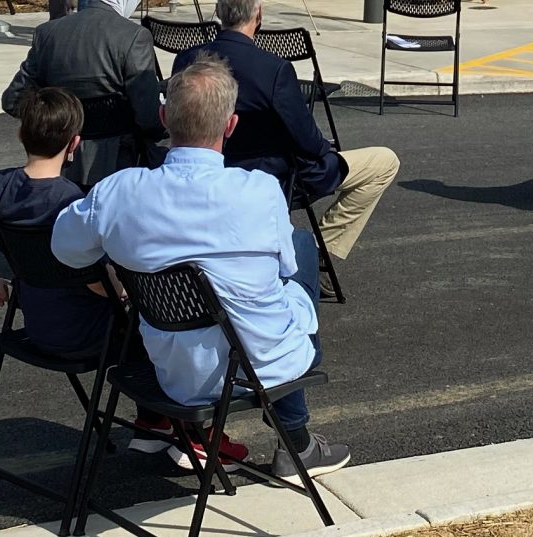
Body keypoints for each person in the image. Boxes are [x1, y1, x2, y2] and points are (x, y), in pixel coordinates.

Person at [52, 60, 349, 481]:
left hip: (172, 371)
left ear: (163, 118)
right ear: (231, 125)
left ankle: (180, 429)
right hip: (257, 368)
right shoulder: (259, 191)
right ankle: (295, 442)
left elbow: (65, 248)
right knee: (298, 251)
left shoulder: (119, 190)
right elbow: (284, 268)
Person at [197, 0, 401, 265]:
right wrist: (324, 150)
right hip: (276, 176)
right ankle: (323, 250)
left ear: (219, 11)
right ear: (259, 13)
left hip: (213, 170)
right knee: (384, 162)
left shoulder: (188, 61)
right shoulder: (274, 70)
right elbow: (307, 139)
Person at [0, 86, 114, 361]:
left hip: (36, 328)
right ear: (74, 144)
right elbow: (97, 282)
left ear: (21, 134)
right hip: (90, 335)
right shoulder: (74, 202)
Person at [4, 0, 163, 180]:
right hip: (119, 163)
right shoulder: (133, 36)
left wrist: (57, 124)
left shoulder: (49, 32)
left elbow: (13, 100)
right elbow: (148, 117)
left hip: (57, 161)